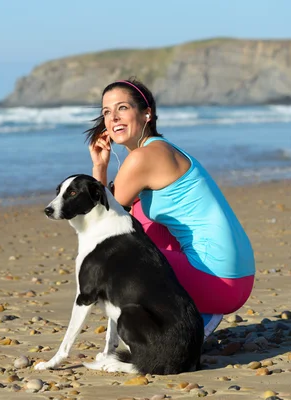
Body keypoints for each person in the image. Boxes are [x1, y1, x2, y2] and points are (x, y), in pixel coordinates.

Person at [86, 79, 255, 339]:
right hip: (237, 277)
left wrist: (98, 167)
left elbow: (99, 221)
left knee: (117, 254)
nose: (113, 118)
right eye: (107, 112)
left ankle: (190, 323)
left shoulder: (142, 158)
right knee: (141, 220)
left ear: (146, 113)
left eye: (122, 108)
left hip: (219, 281)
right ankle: (193, 313)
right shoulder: (163, 149)